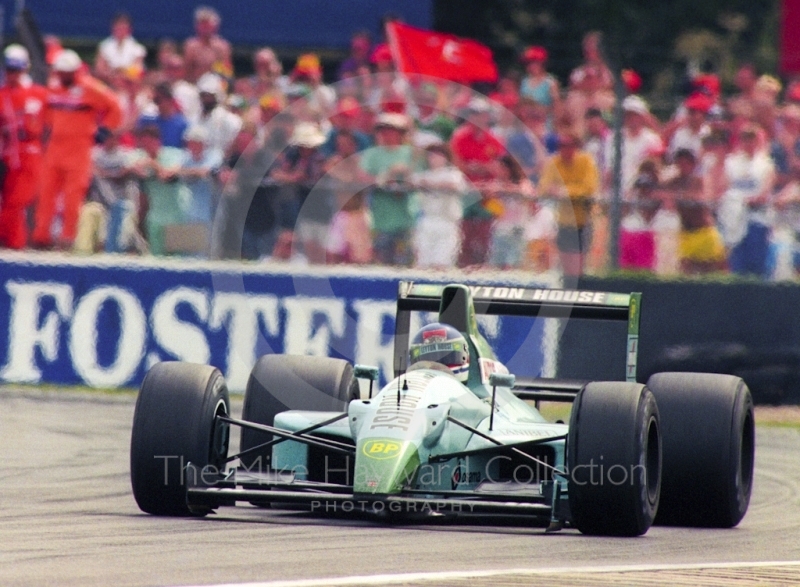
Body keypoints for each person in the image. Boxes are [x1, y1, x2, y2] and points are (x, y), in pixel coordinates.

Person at [32, 50, 122, 250]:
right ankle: (41, 236)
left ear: (75, 71)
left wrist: (104, 130)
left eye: (66, 72)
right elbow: (45, 112)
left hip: (79, 150)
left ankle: (67, 238)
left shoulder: (89, 87)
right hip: (55, 148)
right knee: (46, 192)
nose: (62, 76)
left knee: (73, 197)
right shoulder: (53, 87)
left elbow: (115, 106)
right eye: (60, 72)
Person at [0, 45, 48, 249]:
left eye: (17, 69)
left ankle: (15, 243)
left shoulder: (39, 93)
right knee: (10, 202)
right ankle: (14, 244)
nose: (13, 74)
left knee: (18, 202)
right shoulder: (2, 94)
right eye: (10, 69)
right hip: (8, 157)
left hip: (31, 154)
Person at [359, 112, 418, 266]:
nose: (386, 134)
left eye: (390, 130)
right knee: (382, 261)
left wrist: (404, 178)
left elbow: (419, 177)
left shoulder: (410, 153)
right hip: (381, 217)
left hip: (406, 217)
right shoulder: (372, 154)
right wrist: (385, 177)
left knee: (405, 261)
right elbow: (362, 177)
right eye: (382, 130)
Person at [538, 131, 599, 278]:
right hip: (564, 221)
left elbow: (589, 187)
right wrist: (565, 191)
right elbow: (544, 187)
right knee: (566, 266)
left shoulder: (586, 161)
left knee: (578, 266)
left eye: (568, 145)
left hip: (583, 220)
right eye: (561, 146)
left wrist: (564, 191)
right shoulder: (554, 162)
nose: (564, 149)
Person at [718, 125, 775, 278]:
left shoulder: (765, 164)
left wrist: (745, 199)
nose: (748, 143)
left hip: (757, 220)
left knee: (757, 265)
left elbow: (765, 192)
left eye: (752, 139)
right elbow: (724, 188)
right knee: (737, 265)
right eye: (745, 139)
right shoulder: (731, 162)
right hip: (735, 221)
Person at [660, 148, 727, 274]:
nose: (682, 167)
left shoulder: (699, 180)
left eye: (686, 163)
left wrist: (677, 196)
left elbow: (702, 196)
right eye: (679, 163)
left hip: (703, 232)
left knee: (713, 271)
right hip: (687, 234)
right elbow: (659, 192)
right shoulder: (674, 182)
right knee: (686, 271)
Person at [130, 124, 188, 256]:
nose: (146, 147)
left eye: (148, 142)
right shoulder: (140, 157)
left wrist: (152, 164)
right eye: (143, 143)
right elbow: (137, 176)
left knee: (181, 263)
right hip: (155, 219)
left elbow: (166, 175)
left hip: (178, 218)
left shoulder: (174, 154)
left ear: (157, 141)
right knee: (157, 263)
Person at [411, 143, 467, 269]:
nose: (435, 159)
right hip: (427, 220)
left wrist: (431, 185)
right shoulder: (422, 175)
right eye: (431, 156)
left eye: (439, 155)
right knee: (423, 262)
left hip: (447, 221)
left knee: (442, 263)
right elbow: (412, 182)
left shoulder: (453, 174)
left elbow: (453, 185)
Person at [195, 73, 242, 155]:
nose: (206, 99)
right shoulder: (195, 118)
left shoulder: (227, 118)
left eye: (209, 96)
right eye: (204, 96)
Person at [183, 6, 233, 82]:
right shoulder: (191, 46)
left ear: (215, 26)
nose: (205, 28)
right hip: (195, 84)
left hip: (216, 86)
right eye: (202, 24)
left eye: (207, 25)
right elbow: (187, 70)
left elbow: (226, 71)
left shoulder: (222, 46)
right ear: (197, 26)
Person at [95, 12, 146, 82]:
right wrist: (113, 74)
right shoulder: (104, 46)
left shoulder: (138, 49)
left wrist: (123, 73)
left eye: (123, 26)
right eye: (118, 26)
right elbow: (100, 69)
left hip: (129, 83)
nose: (120, 29)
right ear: (113, 27)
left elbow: (138, 70)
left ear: (129, 29)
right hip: (108, 83)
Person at [137, 83, 188, 148]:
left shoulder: (182, 124)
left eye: (159, 100)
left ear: (170, 100)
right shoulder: (148, 122)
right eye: (155, 100)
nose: (157, 104)